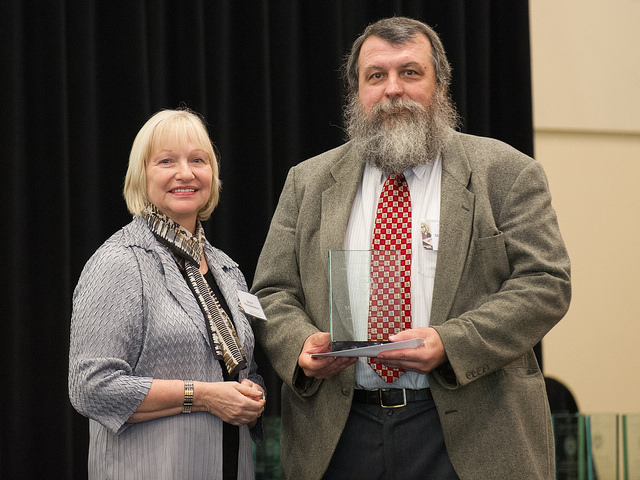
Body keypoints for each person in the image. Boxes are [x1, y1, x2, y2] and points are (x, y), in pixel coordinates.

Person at [251, 17, 571, 480]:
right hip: (340, 434)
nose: (392, 88)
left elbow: (546, 284)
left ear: (440, 84)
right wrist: (300, 345)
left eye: (410, 73)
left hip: (471, 430)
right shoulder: (307, 181)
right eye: (376, 75)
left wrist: (450, 343)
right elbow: (272, 292)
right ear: (357, 90)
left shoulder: (506, 172)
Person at [69, 108, 266, 479]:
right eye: (166, 161)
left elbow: (241, 370)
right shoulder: (119, 262)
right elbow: (89, 387)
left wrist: (252, 393)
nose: (186, 173)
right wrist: (204, 396)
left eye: (198, 160)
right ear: (141, 176)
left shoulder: (227, 269)